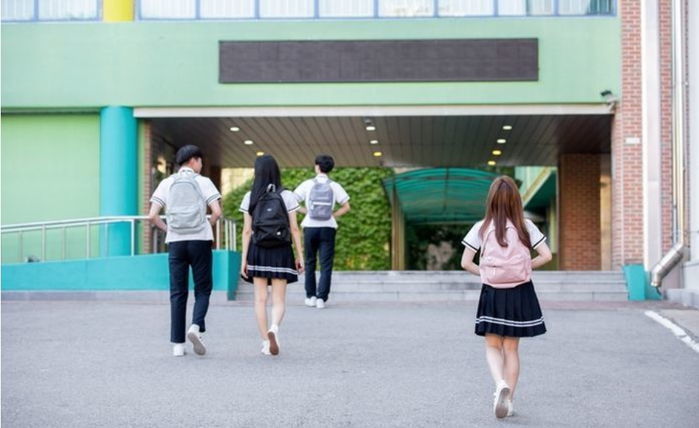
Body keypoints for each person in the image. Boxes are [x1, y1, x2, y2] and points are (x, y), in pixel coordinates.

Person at [460, 176, 552, 419]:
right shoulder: (525, 225)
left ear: (491, 200)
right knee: (511, 349)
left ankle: (499, 383)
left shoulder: (481, 226)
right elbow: (547, 255)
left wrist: (488, 273)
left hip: (492, 292)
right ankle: (509, 400)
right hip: (520, 291)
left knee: (492, 345)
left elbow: (465, 262)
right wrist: (525, 268)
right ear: (515, 200)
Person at [148, 145, 222, 357]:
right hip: (200, 240)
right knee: (203, 288)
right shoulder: (203, 181)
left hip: (176, 242)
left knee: (178, 292)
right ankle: (196, 326)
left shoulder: (167, 182)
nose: (201, 165)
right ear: (193, 160)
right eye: (200, 161)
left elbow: (152, 215)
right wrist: (210, 225)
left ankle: (178, 345)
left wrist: (168, 228)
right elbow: (216, 211)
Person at [240, 155, 304, 356]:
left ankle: (265, 342)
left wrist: (244, 259)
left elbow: (247, 231)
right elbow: (294, 229)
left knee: (260, 299)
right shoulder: (287, 195)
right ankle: (274, 327)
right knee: (279, 300)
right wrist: (300, 256)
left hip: (258, 250)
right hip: (281, 250)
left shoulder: (250, 196)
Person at [293, 155, 350, 309]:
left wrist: (307, 212)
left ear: (317, 166)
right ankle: (321, 298)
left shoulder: (307, 184)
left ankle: (310, 296)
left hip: (310, 226)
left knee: (310, 262)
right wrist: (333, 214)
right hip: (328, 227)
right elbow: (346, 206)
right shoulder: (334, 186)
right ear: (330, 168)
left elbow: (292, 202)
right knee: (326, 264)